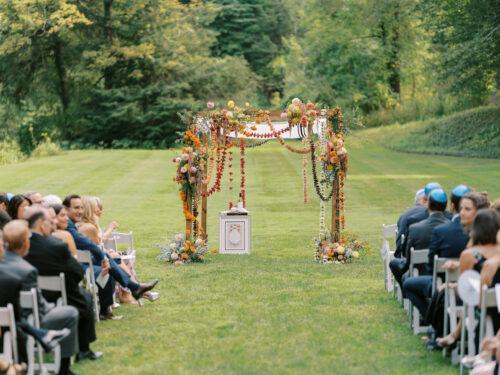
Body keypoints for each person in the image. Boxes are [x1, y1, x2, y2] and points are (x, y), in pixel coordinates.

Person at [22, 206, 104, 363]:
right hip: (57, 295)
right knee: (85, 297)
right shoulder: (56, 245)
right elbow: (78, 272)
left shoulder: (19, 244)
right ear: (40, 223)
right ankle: (84, 349)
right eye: (49, 220)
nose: (52, 223)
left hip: (29, 296)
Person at [0, 220, 79, 375]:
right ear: (25, 243)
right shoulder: (26, 270)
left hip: (8, 319)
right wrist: (53, 307)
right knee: (70, 312)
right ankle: (64, 368)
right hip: (27, 319)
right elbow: (38, 306)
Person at [63, 194, 158, 304]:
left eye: (81, 208)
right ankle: (130, 291)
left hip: (82, 259)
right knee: (109, 262)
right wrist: (103, 256)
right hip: (79, 264)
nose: (80, 211)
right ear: (66, 209)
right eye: (76, 208)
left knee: (111, 258)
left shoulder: (75, 224)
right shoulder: (72, 225)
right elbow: (89, 244)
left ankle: (134, 288)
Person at [403, 185, 472, 320]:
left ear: (452, 206)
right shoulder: (481, 232)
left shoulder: (442, 231)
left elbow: (431, 265)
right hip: (472, 283)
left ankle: (431, 318)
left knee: (408, 283)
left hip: (443, 282)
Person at [437, 208, 499, 349]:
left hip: (483, 307)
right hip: (495, 303)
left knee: (469, 298)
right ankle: (454, 335)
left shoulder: (470, 254)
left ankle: (454, 335)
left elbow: (463, 287)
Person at [390, 188, 450, 290]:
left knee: (398, 268)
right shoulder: (452, 226)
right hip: (448, 274)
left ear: (428, 204)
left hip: (422, 272)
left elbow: (406, 254)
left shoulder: (415, 228)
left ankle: (408, 295)